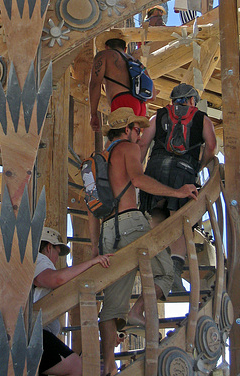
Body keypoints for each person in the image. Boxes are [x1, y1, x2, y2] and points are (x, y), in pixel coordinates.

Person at [86, 107, 197, 376]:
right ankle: (137, 312)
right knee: (166, 271)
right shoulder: (128, 149)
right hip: (131, 222)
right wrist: (176, 191)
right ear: (126, 129)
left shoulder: (97, 159)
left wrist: (94, 246)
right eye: (136, 129)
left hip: (107, 231)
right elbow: (138, 179)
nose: (139, 135)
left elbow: (91, 206)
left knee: (112, 303)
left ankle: (110, 365)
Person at [138, 83, 217, 292]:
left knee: (156, 216)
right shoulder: (202, 118)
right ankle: (173, 274)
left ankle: (159, 269)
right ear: (192, 100)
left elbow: (144, 143)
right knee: (180, 222)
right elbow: (211, 146)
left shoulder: (159, 115)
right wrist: (199, 166)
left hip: (155, 169)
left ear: (173, 100)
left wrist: (137, 170)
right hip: (184, 172)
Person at [33, 226, 112, 375]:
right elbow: (56, 279)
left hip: (37, 334)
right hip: (35, 334)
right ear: (49, 247)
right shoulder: (40, 260)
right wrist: (91, 263)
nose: (57, 259)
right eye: (58, 252)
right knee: (76, 366)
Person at [89, 29, 150, 132]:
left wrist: (93, 114)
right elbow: (152, 96)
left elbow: (95, 84)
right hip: (140, 105)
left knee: (119, 142)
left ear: (106, 47)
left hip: (122, 103)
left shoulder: (104, 55)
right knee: (132, 141)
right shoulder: (137, 63)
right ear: (125, 48)